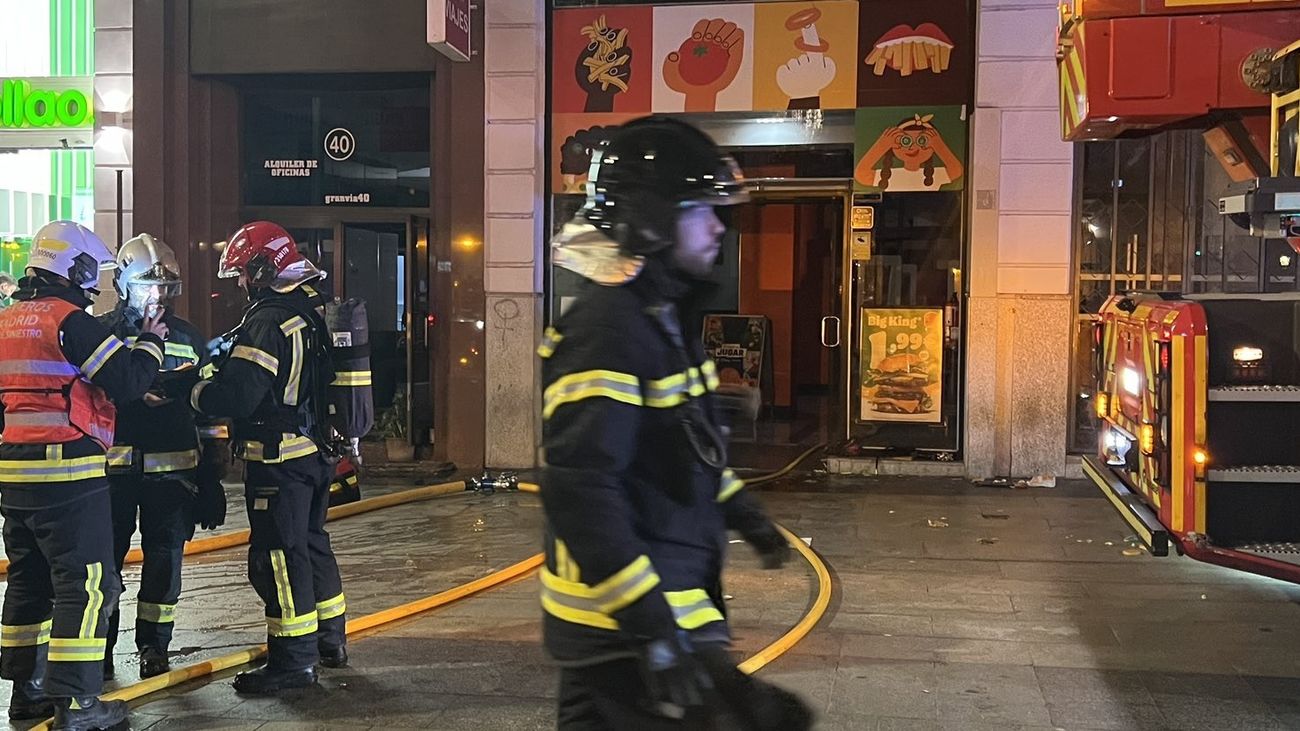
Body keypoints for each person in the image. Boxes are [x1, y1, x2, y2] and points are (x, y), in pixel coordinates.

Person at [539, 117, 814, 730]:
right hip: (625, 633)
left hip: (658, 621)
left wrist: (747, 516)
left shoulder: (660, 316)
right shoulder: (609, 328)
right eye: (702, 209)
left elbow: (683, 456)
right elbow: (582, 489)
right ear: (653, 216)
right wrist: (654, 632)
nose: (719, 225)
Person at [0, 220, 167, 730]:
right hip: (69, 474)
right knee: (87, 585)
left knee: (29, 579)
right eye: (92, 272)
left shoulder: (7, 321)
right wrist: (151, 341)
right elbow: (127, 381)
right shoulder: (70, 321)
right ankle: (78, 704)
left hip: (14, 474)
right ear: (74, 268)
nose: (96, 284)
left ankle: (26, 692)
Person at [188, 221, 346, 694]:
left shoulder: (266, 321)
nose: (240, 283)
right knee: (312, 545)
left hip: (279, 461)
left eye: (243, 272)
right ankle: (329, 642)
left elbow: (239, 396)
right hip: (315, 454)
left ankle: (292, 662)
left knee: (278, 557)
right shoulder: (311, 306)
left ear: (262, 267)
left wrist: (195, 392)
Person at [99, 233, 228, 681]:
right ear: (123, 285)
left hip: (173, 476)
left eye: (166, 287)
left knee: (164, 562)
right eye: (147, 286)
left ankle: (154, 647)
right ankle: (101, 649)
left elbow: (211, 413)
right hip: (110, 475)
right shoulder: (100, 334)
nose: (157, 296)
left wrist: (212, 475)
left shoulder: (190, 338)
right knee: (103, 566)